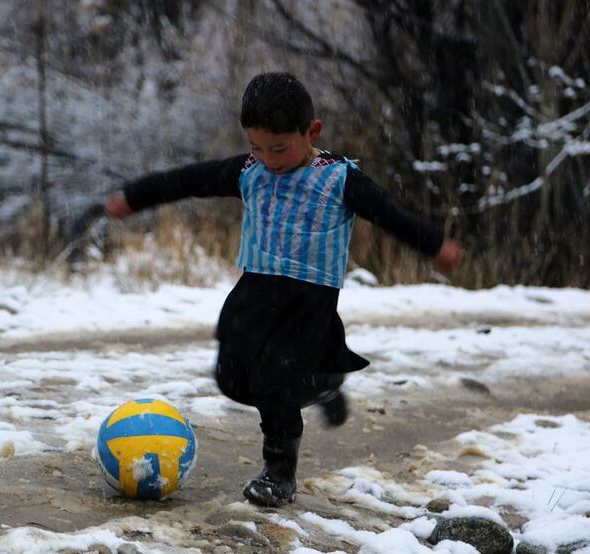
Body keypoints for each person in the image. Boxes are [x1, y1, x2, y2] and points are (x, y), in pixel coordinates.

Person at [105, 72, 463, 507]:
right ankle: (322, 380)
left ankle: (279, 472)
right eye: (257, 146)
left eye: (279, 148)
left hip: (308, 302)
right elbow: (188, 180)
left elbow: (390, 214)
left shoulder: (338, 179)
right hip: (255, 291)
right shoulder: (248, 171)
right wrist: (135, 197)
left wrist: (433, 245)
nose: (268, 159)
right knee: (233, 379)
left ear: (311, 132)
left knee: (274, 382)